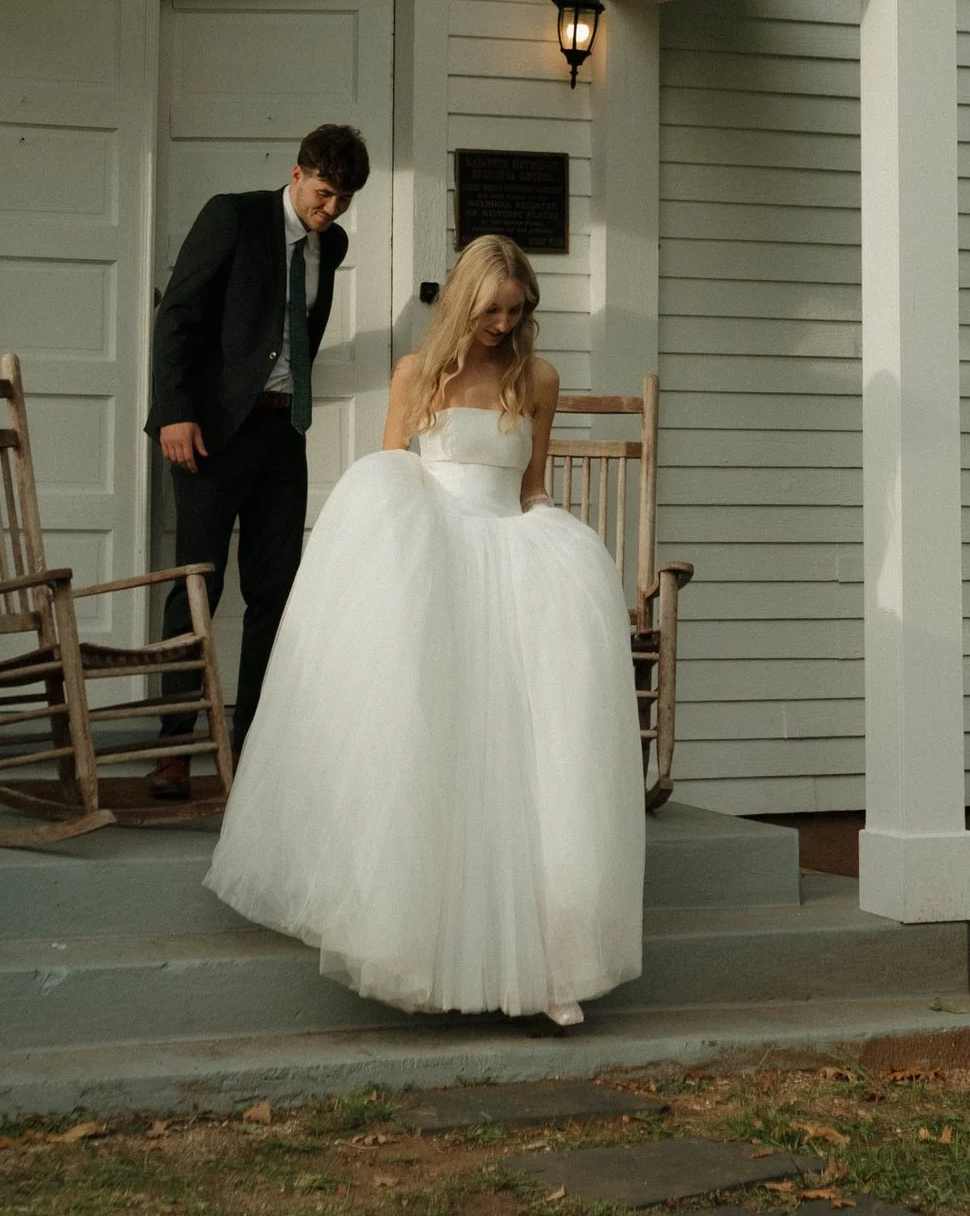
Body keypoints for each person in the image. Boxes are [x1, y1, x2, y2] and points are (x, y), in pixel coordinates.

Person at [206, 232, 645, 1027]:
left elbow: (533, 483)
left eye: (516, 311)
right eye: (490, 310)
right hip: (435, 557)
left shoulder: (537, 378)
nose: (503, 324)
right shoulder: (418, 375)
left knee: (529, 759)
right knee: (428, 754)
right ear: (462, 302)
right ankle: (412, 938)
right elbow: (392, 471)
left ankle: (550, 962)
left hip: (509, 559)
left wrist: (563, 557)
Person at [145, 118, 372, 790]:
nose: (329, 212)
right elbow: (178, 316)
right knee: (196, 584)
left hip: (282, 434)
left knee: (275, 591)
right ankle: (173, 747)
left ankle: (250, 750)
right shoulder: (234, 218)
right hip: (211, 432)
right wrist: (175, 413)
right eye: (323, 195)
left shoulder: (329, 248)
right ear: (297, 174)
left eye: (342, 202)